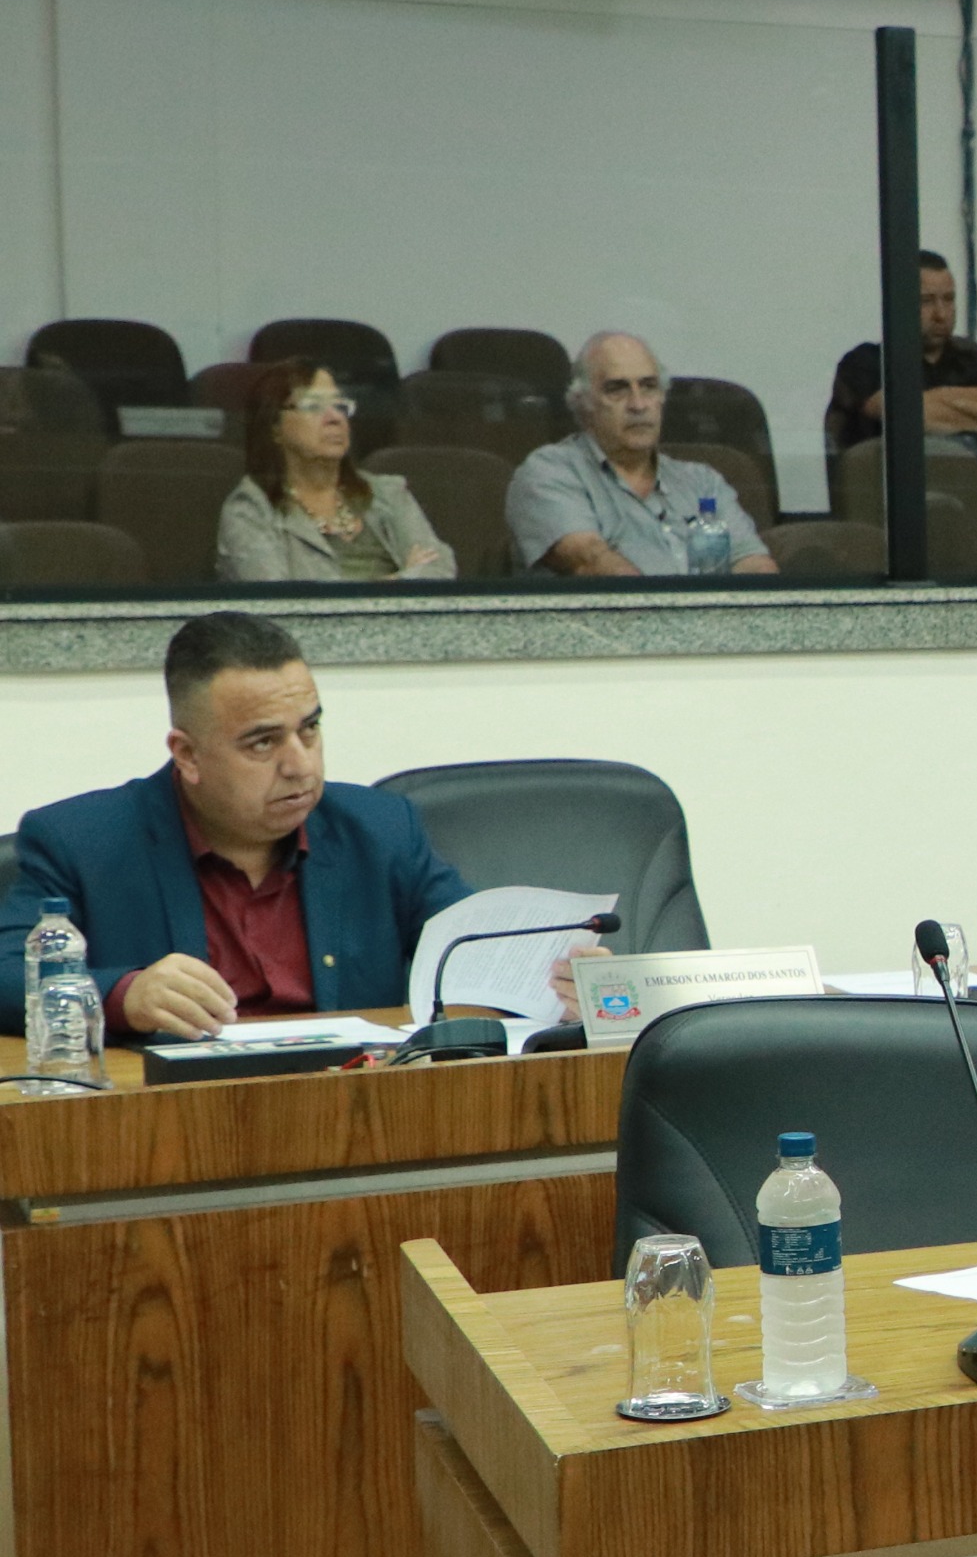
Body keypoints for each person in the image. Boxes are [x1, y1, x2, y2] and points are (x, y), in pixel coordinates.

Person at [0, 612, 468, 1039]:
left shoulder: (380, 829)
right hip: (182, 1099)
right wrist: (123, 995)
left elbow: (480, 946)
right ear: (188, 755)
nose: (301, 766)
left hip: (350, 1094)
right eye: (263, 743)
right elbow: (6, 973)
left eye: (309, 729)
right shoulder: (83, 842)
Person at [508, 332, 777, 577]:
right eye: (617, 389)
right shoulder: (550, 473)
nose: (638, 405)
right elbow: (593, 565)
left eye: (648, 386)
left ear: (662, 397)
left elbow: (755, 564)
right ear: (583, 403)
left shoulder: (703, 482)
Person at [827, 249, 977, 518]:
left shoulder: (972, 358)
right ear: (899, 302)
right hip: (913, 509)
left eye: (949, 299)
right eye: (926, 301)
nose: (941, 314)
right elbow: (906, 414)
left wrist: (938, 407)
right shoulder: (866, 361)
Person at [215, 361, 452, 582]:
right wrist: (396, 582)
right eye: (314, 406)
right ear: (274, 427)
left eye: (339, 406)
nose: (335, 418)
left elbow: (438, 569)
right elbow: (280, 602)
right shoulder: (250, 510)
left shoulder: (388, 493)